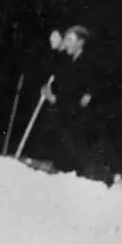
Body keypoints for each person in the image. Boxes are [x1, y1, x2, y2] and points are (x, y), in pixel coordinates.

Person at [42, 26, 98, 176]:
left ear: (81, 43)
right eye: (65, 39)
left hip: (79, 125)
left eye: (69, 40)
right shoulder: (70, 62)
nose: (66, 43)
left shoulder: (86, 64)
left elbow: (78, 99)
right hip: (67, 121)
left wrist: (54, 99)